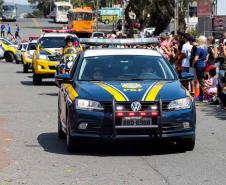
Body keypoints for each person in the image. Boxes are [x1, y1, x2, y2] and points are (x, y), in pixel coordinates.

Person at [193, 35, 208, 101]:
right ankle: (203, 96)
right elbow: (206, 58)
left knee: (200, 81)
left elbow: (195, 58)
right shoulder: (205, 49)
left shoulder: (199, 49)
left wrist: (193, 64)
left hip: (198, 65)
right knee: (202, 80)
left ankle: (206, 96)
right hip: (204, 65)